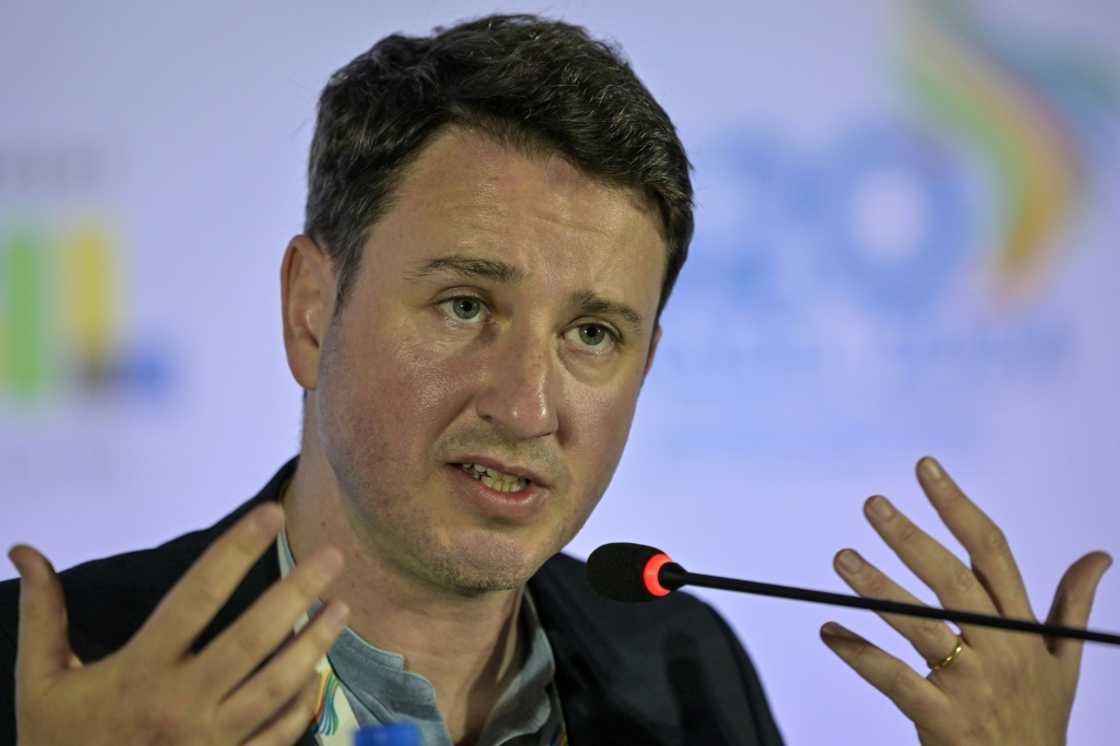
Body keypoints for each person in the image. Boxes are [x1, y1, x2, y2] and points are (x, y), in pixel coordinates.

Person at [0, 13, 1110, 746]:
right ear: (309, 308)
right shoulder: (60, 674)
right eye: (465, 305)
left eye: (591, 333)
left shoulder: (683, 671)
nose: (527, 406)